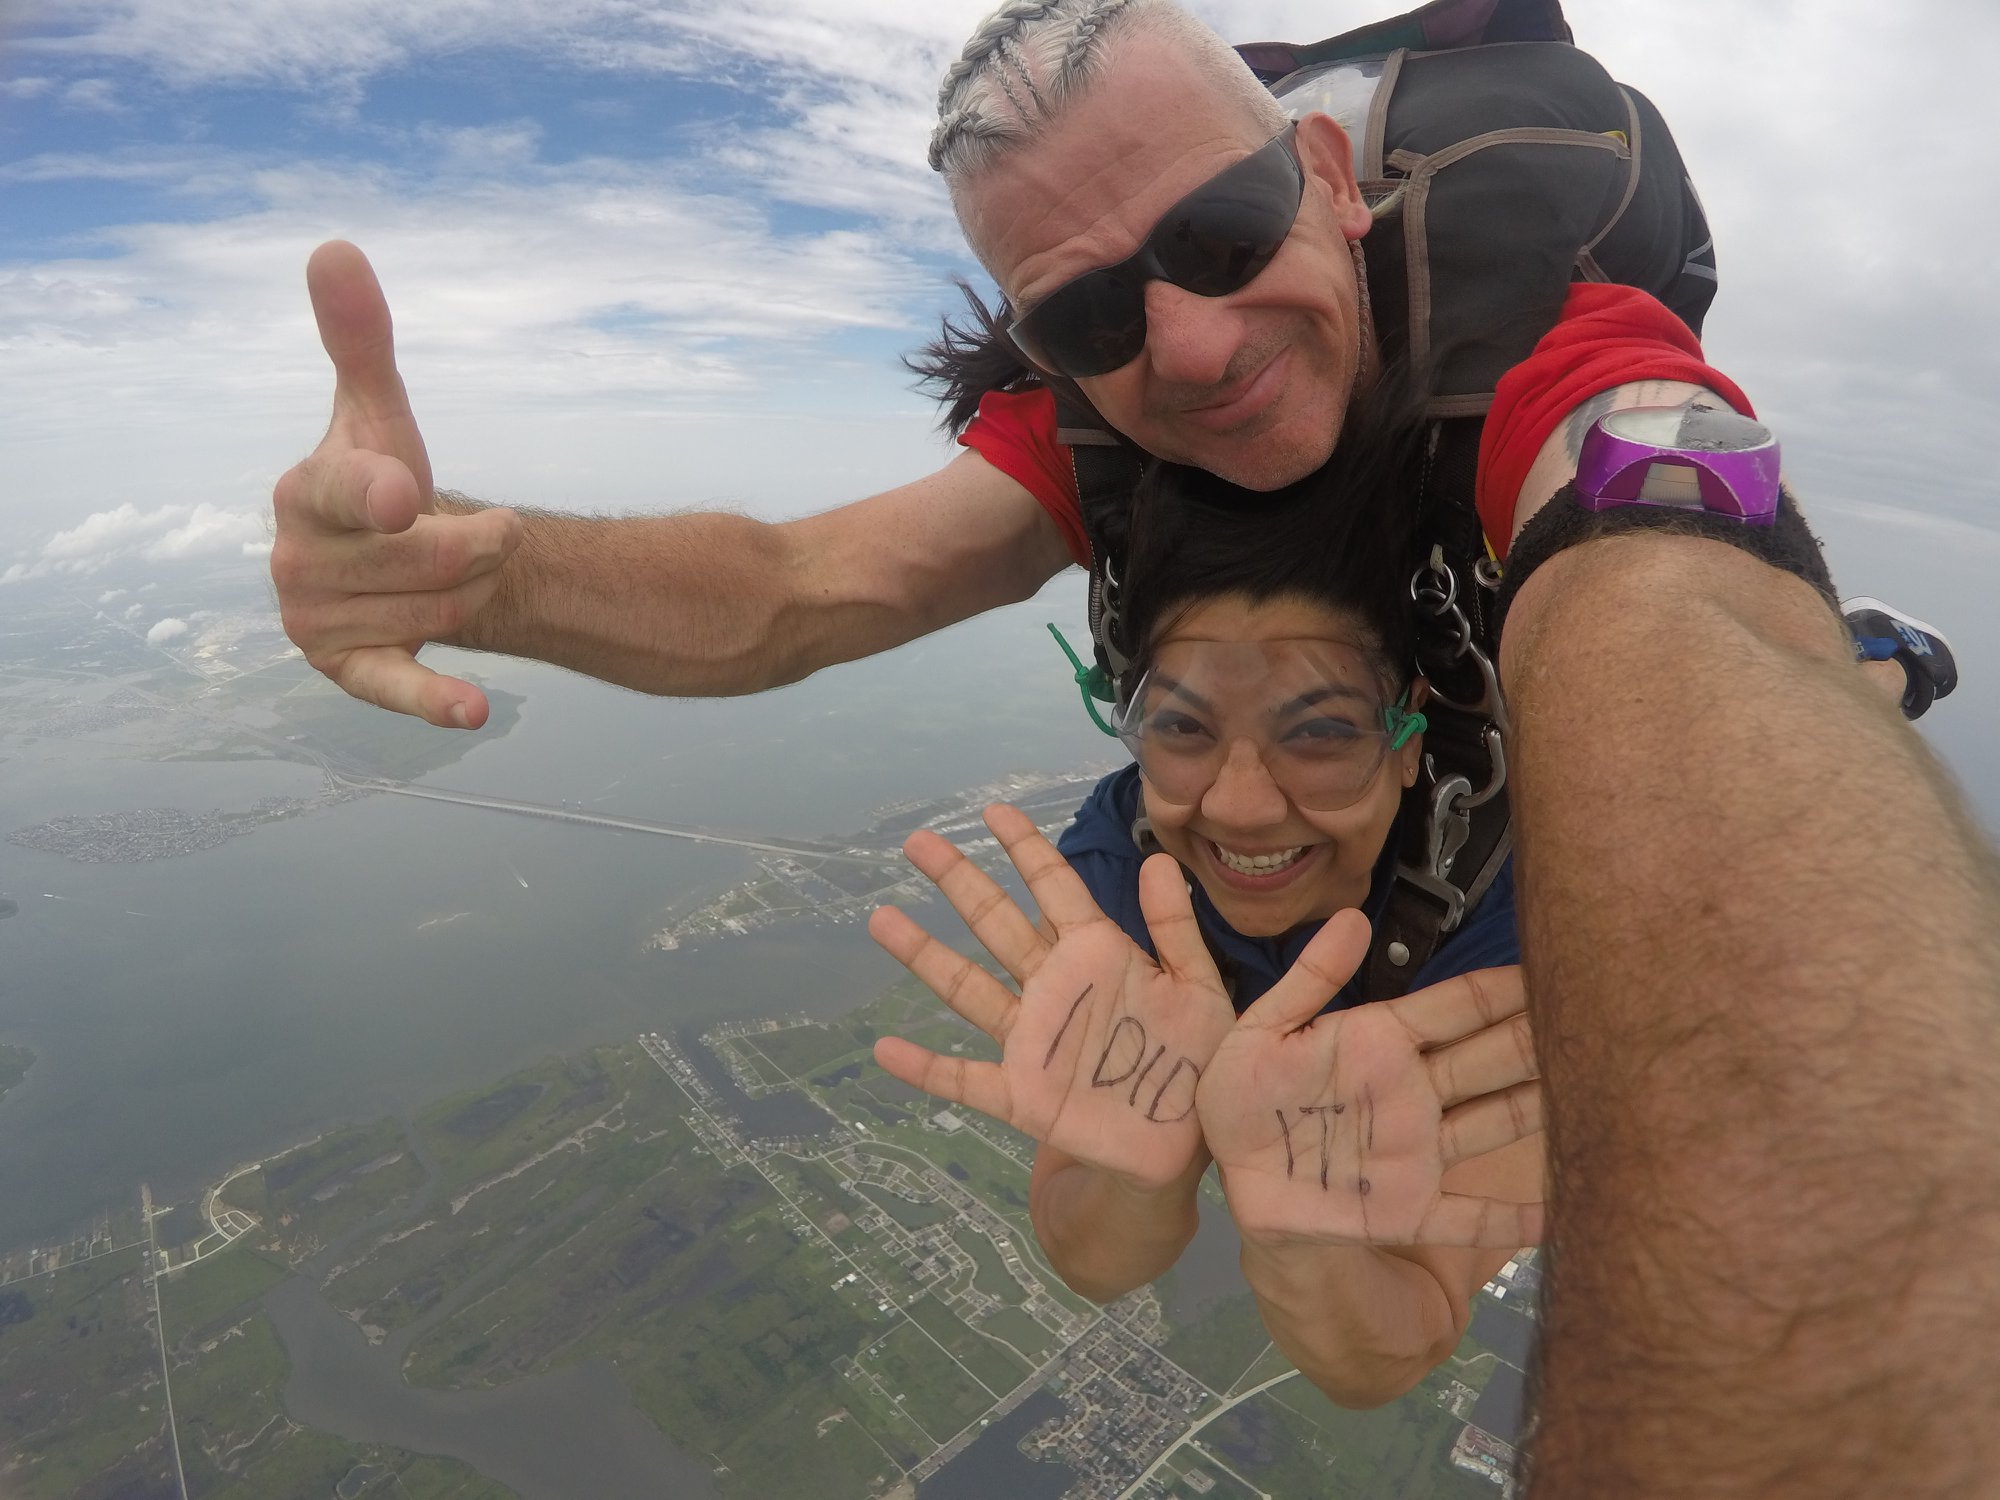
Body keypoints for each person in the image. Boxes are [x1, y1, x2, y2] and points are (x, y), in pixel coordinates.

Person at [271, 3, 2000, 1492]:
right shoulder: (1085, 432)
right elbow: (801, 588)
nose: (1185, 341)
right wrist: (488, 570)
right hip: (1347, 832)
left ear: (1326, 178)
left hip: (1484, 782)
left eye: (1228, 230)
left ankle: (1868, 662)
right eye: (1090, 315)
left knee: (1786, 669)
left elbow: (1672, 565)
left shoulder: (1560, 339)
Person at [870, 435, 1545, 1408]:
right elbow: (1093, 1256)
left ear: (1409, 737)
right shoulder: (1122, 872)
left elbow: (1399, 1337)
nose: (1236, 804)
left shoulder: (1506, 922)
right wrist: (1134, 1174)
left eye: (1316, 731)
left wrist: (1300, 1241)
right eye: (1181, 727)